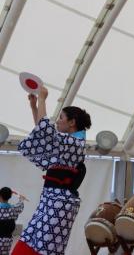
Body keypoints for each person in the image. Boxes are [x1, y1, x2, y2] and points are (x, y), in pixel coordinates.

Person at [11, 86, 91, 255]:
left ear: (72, 122)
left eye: (61, 117)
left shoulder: (76, 144)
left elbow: (46, 133)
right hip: (51, 202)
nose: (57, 121)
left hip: (59, 206)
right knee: (26, 245)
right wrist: (34, 107)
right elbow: (44, 136)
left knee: (45, 250)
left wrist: (42, 99)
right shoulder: (68, 141)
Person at [0, 187, 25, 255]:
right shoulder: (14, 209)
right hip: (7, 242)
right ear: (10, 196)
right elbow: (20, 205)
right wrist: (21, 198)